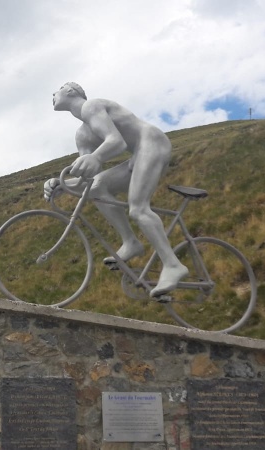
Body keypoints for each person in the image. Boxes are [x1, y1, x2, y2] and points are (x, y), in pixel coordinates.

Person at [44, 82, 188, 297]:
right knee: (97, 187)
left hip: (152, 143)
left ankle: (173, 265)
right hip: (137, 156)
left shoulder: (92, 106)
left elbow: (116, 142)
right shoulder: (82, 135)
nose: (53, 94)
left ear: (71, 91)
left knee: (138, 209)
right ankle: (130, 242)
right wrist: (62, 185)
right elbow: (88, 180)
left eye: (58, 89)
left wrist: (96, 157)